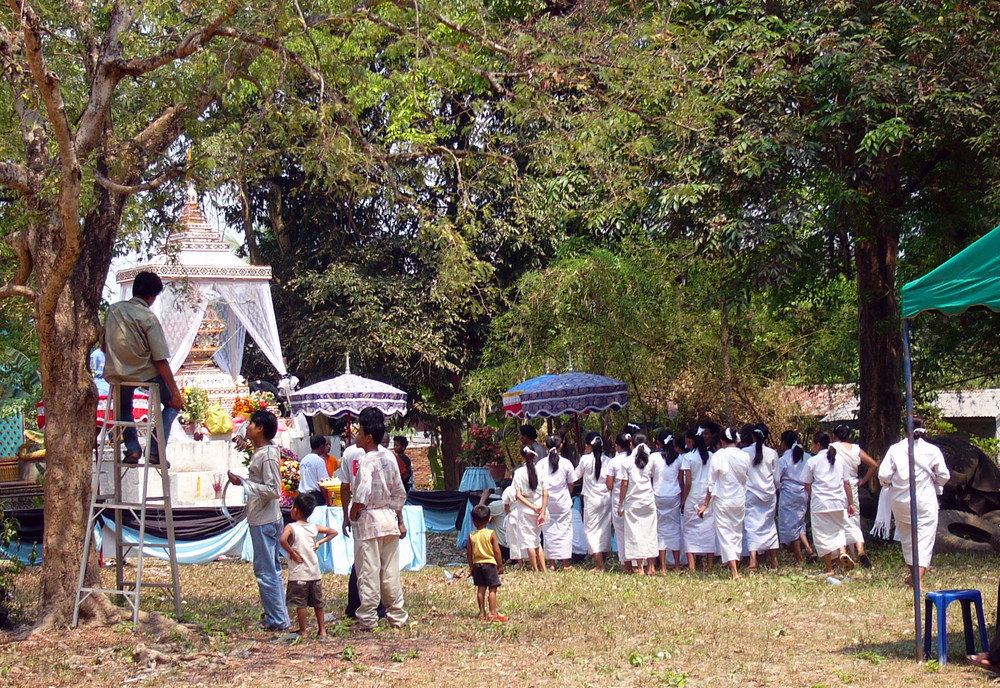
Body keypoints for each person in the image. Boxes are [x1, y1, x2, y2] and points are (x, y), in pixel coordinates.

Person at [102, 271, 184, 464]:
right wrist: (175, 393)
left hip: (118, 373)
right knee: (173, 406)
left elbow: (104, 346)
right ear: (151, 296)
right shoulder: (148, 317)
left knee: (123, 407)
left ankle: (132, 449)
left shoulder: (113, 311)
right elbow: (160, 359)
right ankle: (155, 450)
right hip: (145, 373)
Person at [227, 410, 290, 632]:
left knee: (266, 570)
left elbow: (274, 490)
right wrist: (242, 435)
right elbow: (242, 427)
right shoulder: (261, 450)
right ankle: (277, 613)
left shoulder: (268, 455)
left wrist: (244, 484)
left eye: (253, 424)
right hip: (261, 517)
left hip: (265, 519)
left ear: (261, 428)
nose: (249, 426)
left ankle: (277, 619)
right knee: (269, 568)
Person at [348, 407, 409, 630]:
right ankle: (397, 615)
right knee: (390, 572)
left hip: (368, 522)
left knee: (368, 571)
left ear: (368, 437)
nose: (356, 435)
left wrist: (352, 513)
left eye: (359, 431)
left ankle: (368, 618)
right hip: (389, 519)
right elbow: (399, 492)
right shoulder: (390, 457)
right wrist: (399, 519)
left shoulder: (367, 461)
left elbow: (362, 494)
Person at [874, 419, 950, 588]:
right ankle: (918, 579)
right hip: (925, 500)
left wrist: (894, 483)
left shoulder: (895, 449)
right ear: (923, 430)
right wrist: (934, 481)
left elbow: (884, 475)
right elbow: (944, 476)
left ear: (904, 430)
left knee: (907, 538)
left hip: (900, 501)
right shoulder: (932, 450)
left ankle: (915, 578)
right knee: (925, 538)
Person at [279, 493, 339, 638]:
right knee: (318, 603)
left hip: (299, 574)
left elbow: (282, 540)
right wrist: (319, 542)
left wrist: (292, 553)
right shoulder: (313, 527)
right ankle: (322, 630)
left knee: (301, 604)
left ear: (295, 510)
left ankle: (304, 631)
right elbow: (333, 532)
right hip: (314, 572)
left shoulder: (291, 527)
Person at [698, 427, 750, 579]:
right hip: (739, 499)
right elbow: (747, 476)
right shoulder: (745, 455)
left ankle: (734, 570)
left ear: (721, 441)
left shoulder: (718, 455)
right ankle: (735, 563)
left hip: (722, 499)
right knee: (736, 532)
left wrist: (705, 504)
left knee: (725, 533)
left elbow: (711, 482)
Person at [804, 431, 855, 575]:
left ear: (818, 445)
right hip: (838, 502)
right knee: (838, 531)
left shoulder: (812, 461)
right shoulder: (839, 460)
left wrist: (813, 496)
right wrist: (850, 504)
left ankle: (829, 568)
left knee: (822, 537)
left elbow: (807, 484)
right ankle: (842, 552)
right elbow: (846, 483)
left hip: (820, 503)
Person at [830, 424, 878, 568]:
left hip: (838, 485)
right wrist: (863, 480)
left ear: (835, 436)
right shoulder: (856, 449)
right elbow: (874, 465)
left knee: (839, 519)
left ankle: (844, 551)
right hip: (853, 485)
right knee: (854, 519)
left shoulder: (832, 447)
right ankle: (859, 551)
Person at [616, 434, 660, 575]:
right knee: (650, 533)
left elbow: (624, 484)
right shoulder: (651, 460)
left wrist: (620, 504)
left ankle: (640, 568)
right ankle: (651, 567)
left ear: (631, 445)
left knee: (635, 534)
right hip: (648, 501)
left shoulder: (627, 462)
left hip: (632, 502)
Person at [742, 424, 780, 571]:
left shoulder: (745, 452)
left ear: (752, 436)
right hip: (769, 494)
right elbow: (777, 478)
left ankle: (753, 560)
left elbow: (743, 474)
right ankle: (774, 560)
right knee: (769, 524)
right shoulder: (772, 453)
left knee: (751, 526)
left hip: (750, 494)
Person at [777, 430, 816, 566]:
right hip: (803, 493)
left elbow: (777, 478)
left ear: (783, 443)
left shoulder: (783, 459)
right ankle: (809, 550)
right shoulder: (807, 457)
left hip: (788, 496)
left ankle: (799, 558)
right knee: (799, 524)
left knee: (790, 526)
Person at [575, 432, 612, 571]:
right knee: (604, 530)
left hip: (591, 500)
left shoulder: (585, 459)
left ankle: (600, 565)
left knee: (590, 531)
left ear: (587, 446)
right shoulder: (608, 460)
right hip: (606, 499)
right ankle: (602, 562)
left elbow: (575, 475)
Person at [681, 427, 715, 571]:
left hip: (692, 496)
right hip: (708, 496)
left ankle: (692, 565)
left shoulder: (688, 458)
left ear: (690, 440)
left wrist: (683, 500)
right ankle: (709, 564)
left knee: (689, 529)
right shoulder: (711, 455)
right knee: (708, 528)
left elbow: (687, 482)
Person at [540, 434, 576, 571]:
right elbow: (571, 483)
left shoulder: (541, 464)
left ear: (545, 447)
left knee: (548, 532)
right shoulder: (566, 463)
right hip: (563, 501)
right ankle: (565, 564)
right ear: (561, 446)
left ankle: (551, 564)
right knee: (565, 531)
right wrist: (567, 494)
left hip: (546, 502)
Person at [650, 430, 683, 572]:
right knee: (675, 528)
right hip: (674, 495)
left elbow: (650, 474)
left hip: (658, 495)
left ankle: (663, 567)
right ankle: (676, 564)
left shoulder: (654, 458)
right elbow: (681, 480)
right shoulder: (679, 458)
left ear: (658, 443)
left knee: (660, 529)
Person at [467, 504, 506, 621]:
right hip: (490, 564)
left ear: (473, 521)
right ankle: (492, 612)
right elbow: (497, 550)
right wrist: (500, 565)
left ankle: (481, 613)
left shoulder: (471, 535)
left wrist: (471, 567)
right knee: (492, 589)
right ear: (489, 519)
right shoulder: (491, 533)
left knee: (481, 589)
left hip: (477, 564)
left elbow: (469, 553)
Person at [513, 446, 548, 572]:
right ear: (534, 456)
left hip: (525, 510)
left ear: (522, 457)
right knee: (537, 540)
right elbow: (546, 493)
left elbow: (518, 495)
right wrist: (542, 511)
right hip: (540, 507)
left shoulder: (518, 473)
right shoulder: (542, 471)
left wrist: (532, 507)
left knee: (529, 541)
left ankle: (535, 569)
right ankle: (544, 568)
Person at [603, 432, 633, 570]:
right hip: (634, 498)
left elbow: (609, 484)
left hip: (618, 500)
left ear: (616, 447)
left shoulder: (613, 462)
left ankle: (627, 564)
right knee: (635, 531)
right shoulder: (636, 458)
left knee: (621, 532)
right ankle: (639, 563)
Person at [298, 435, 331, 507]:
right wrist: (327, 501)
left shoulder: (304, 460)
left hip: (303, 496)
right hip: (315, 497)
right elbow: (323, 483)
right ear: (321, 447)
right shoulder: (319, 461)